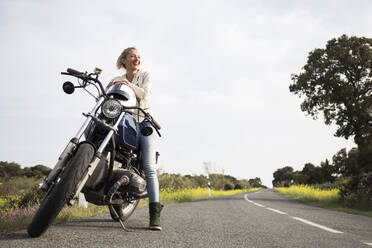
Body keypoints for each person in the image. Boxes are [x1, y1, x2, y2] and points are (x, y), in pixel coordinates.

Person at [106, 47, 163, 230]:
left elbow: (145, 95)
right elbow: (108, 98)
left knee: (149, 167)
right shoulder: (118, 79)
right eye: (133, 56)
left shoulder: (145, 75)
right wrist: (107, 90)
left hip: (143, 123)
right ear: (124, 60)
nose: (137, 59)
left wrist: (130, 87)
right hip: (123, 122)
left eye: (138, 57)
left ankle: (154, 215)